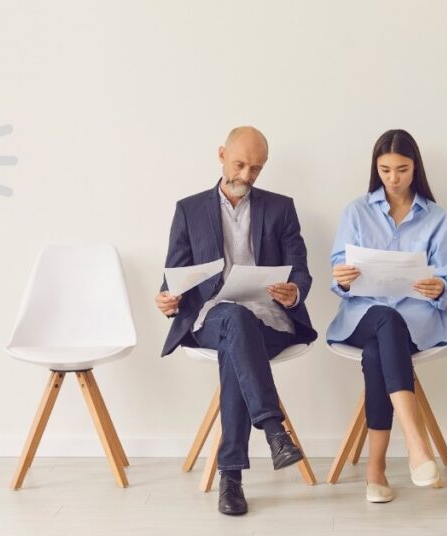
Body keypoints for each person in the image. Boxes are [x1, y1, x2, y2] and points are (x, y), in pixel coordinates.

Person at [156, 126, 318, 516]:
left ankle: (231, 476)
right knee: (232, 318)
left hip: (269, 320)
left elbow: (301, 271)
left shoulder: (280, 208)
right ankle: (274, 431)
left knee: (238, 337)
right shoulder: (189, 209)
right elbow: (173, 277)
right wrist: (167, 298)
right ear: (221, 155)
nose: (246, 175)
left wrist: (294, 292)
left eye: (256, 169)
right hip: (211, 318)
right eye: (240, 164)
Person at [327, 129, 447, 503]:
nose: (393, 179)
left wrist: (439, 289)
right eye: (385, 170)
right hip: (361, 317)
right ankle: (416, 443)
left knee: (377, 354)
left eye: (401, 169)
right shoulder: (356, 211)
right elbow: (339, 271)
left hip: (416, 322)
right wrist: (344, 278)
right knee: (384, 316)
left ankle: (376, 470)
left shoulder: (437, 217)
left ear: (415, 167)